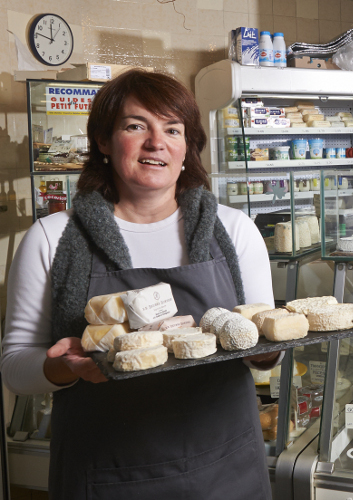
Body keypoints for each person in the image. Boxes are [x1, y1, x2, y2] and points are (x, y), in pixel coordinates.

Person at [1, 70, 277, 499]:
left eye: (172, 129)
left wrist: (268, 352)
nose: (156, 142)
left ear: (187, 147)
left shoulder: (234, 229)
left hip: (225, 469)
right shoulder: (53, 238)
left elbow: (259, 347)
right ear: (104, 142)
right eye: (135, 126)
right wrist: (63, 367)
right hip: (107, 473)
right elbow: (16, 366)